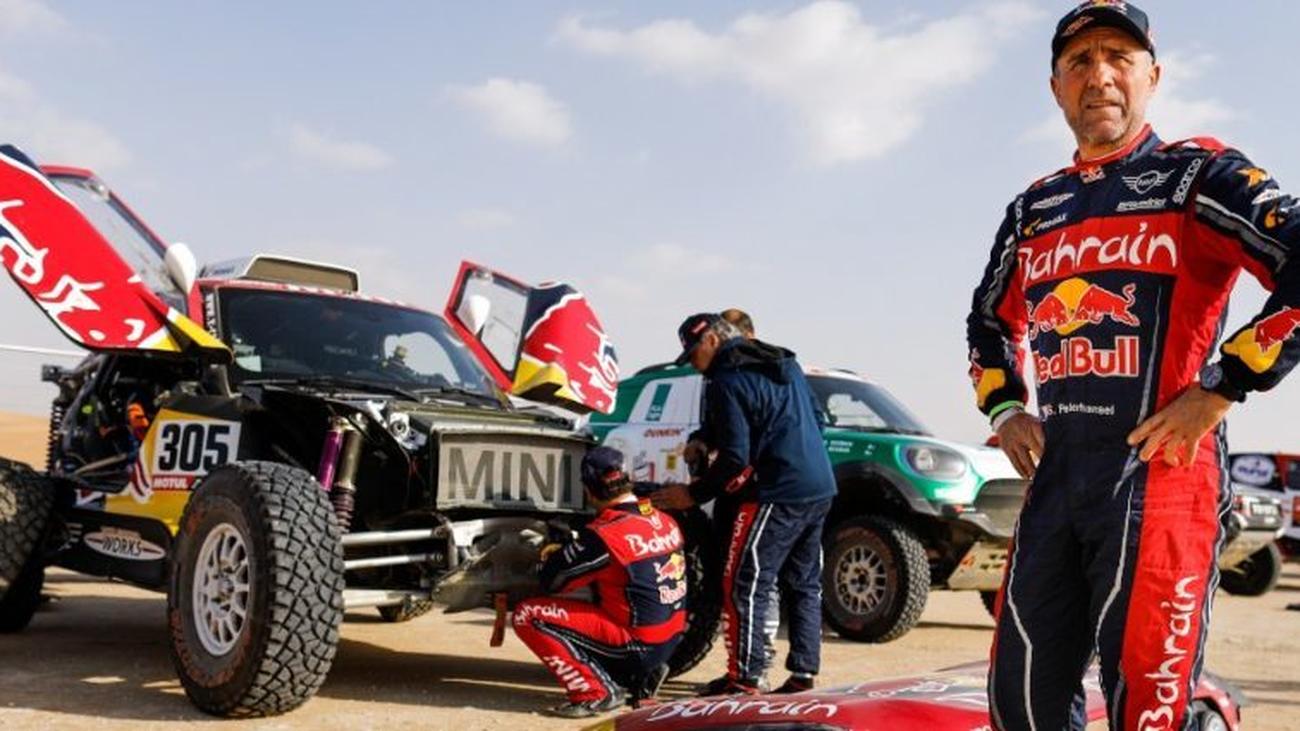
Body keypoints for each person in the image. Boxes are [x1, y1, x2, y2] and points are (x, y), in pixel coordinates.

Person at [966, 2, 1300, 729]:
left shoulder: (1200, 173)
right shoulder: (1034, 207)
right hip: (1056, 483)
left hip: (1163, 484)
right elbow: (988, 321)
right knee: (1019, 705)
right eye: (1079, 62)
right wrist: (1006, 408)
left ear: (1153, 76)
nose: (1100, 76)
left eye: (1119, 57)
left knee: (1147, 711)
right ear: (1055, 86)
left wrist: (1224, 387)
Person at [652, 313, 835, 696]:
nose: (694, 364)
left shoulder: (726, 380)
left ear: (712, 341)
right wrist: (704, 437)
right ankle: (803, 675)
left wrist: (694, 494)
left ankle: (745, 678)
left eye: (694, 354)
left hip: (776, 492)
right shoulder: (784, 364)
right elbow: (816, 421)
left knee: (744, 583)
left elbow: (735, 456)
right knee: (804, 583)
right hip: (818, 486)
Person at [513, 446, 686, 718]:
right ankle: (639, 675)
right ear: (629, 479)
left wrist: (557, 551)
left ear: (588, 490)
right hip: (671, 641)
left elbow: (552, 582)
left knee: (528, 614)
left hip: (640, 644)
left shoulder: (606, 534)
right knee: (615, 589)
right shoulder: (664, 519)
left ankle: (596, 692)